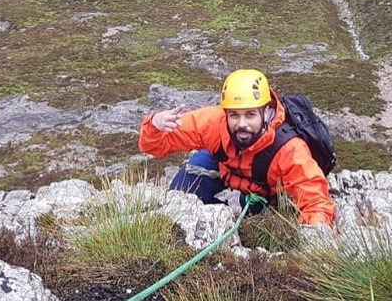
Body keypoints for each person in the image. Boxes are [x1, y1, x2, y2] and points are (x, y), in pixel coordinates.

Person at [138, 68, 335, 225]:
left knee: (254, 220)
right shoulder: (214, 124)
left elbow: (316, 202)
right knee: (190, 176)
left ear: (266, 113)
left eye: (250, 115)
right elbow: (154, 145)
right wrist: (155, 124)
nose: (241, 124)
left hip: (263, 192)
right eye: (234, 115)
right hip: (229, 172)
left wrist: (313, 237)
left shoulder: (289, 151)